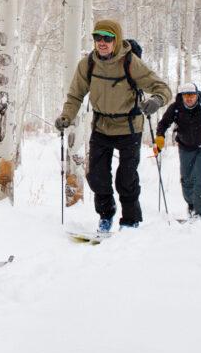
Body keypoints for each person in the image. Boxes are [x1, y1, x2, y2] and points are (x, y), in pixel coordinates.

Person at [54, 19, 172, 232]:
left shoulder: (130, 62)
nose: (102, 42)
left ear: (116, 40)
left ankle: (130, 220)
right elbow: (75, 95)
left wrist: (155, 101)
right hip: (101, 126)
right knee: (96, 176)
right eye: (97, 37)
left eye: (107, 38)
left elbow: (162, 88)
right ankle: (106, 215)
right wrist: (66, 117)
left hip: (129, 127)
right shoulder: (88, 64)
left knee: (126, 179)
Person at [154, 82, 201, 220]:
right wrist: (160, 136)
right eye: (186, 96)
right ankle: (191, 205)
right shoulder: (176, 107)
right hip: (185, 147)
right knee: (187, 180)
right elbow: (163, 123)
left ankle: (199, 213)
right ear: (182, 96)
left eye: (192, 95)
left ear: (196, 95)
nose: (189, 98)